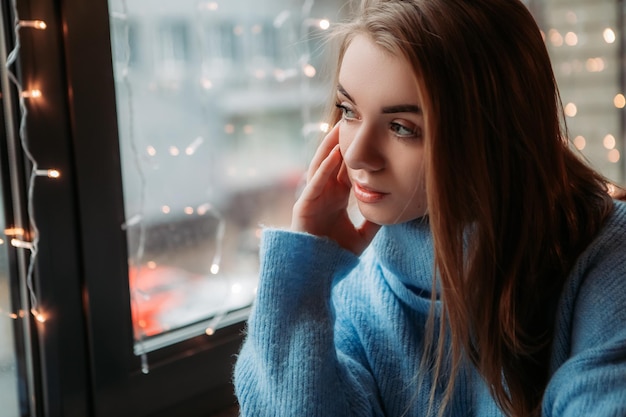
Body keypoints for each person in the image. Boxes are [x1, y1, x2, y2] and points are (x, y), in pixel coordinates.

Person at [233, 0, 626, 415]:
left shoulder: (606, 261)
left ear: (493, 134)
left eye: (403, 128)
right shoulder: (353, 291)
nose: (359, 155)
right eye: (348, 111)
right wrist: (302, 270)